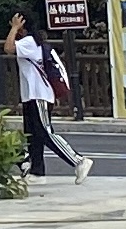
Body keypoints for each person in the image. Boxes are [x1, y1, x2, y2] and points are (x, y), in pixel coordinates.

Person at [7, 10, 88, 180]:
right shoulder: (31, 42)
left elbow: (8, 48)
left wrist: (14, 28)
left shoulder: (29, 42)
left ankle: (78, 160)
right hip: (31, 95)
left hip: (40, 95)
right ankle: (37, 171)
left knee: (45, 132)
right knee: (33, 134)